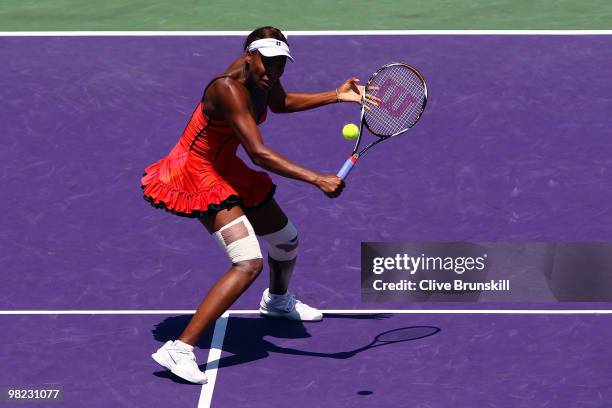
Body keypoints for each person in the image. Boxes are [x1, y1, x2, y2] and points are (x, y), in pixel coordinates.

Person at [143, 26, 379, 384]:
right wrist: (317, 178)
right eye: (267, 65)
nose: (273, 72)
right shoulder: (227, 88)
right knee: (248, 260)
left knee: (286, 239)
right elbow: (258, 153)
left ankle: (277, 301)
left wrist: (336, 95)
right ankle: (180, 348)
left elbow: (280, 103)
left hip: (226, 166)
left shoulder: (264, 78)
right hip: (197, 170)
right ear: (249, 57)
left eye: (280, 65)